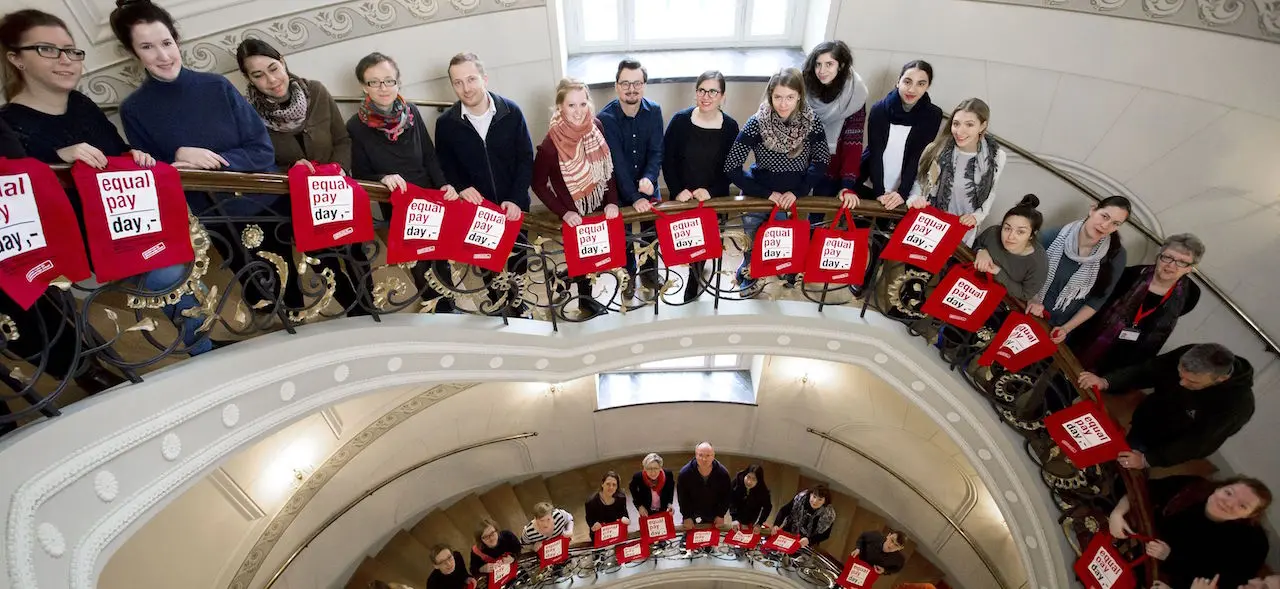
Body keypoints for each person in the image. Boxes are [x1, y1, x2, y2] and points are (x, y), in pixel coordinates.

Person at [110, 0, 300, 320]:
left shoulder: (217, 87)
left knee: (291, 289)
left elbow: (262, 150)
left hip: (264, 204)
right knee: (256, 296)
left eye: (167, 43)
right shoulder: (135, 109)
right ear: (133, 53)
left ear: (176, 40)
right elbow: (153, 178)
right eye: (147, 47)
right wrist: (175, 159)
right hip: (212, 219)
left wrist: (211, 161)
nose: (163, 55)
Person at [235, 38, 372, 318]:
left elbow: (342, 139)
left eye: (273, 68)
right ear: (248, 79)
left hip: (337, 191)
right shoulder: (247, 114)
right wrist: (291, 172)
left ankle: (371, 303)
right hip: (295, 203)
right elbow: (259, 162)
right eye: (258, 75)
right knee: (324, 259)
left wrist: (338, 171)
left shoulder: (317, 92)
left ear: (283, 60)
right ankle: (356, 312)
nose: (271, 80)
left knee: (356, 250)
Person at [346, 51, 457, 311]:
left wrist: (444, 184)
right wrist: (383, 177)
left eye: (389, 80)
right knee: (416, 257)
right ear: (364, 86)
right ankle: (432, 303)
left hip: (428, 194)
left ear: (398, 82)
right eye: (374, 82)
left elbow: (429, 155)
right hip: (396, 199)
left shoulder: (412, 113)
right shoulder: (355, 126)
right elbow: (360, 173)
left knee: (439, 253)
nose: (383, 88)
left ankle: (448, 305)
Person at [435, 52, 534, 315]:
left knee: (518, 260)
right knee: (487, 262)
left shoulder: (511, 112)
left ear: (484, 79)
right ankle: (498, 302)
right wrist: (460, 185)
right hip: (478, 210)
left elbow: (526, 159)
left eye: (471, 79)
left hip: (514, 206)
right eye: (458, 82)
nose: (466, 88)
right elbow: (445, 165)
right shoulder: (445, 124)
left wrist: (515, 198)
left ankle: (518, 302)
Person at [724, 67, 829, 292]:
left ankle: (785, 268)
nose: (783, 104)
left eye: (790, 97)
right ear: (770, 95)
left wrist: (799, 191)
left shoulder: (812, 122)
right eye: (778, 97)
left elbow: (821, 160)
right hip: (760, 196)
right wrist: (766, 194)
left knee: (786, 244)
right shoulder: (756, 123)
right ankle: (749, 269)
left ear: (799, 95)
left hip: (794, 198)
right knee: (753, 242)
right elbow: (732, 165)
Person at [1079, 343, 1254, 470]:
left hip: (1164, 442)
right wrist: (1106, 381)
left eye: (1192, 381)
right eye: (1180, 374)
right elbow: (1148, 370)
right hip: (1146, 417)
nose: (1182, 383)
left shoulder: (1236, 406)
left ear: (1220, 379)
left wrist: (1148, 460)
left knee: (1124, 466)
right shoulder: (1188, 353)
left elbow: (1198, 443)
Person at [531, 77, 619, 318]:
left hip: (599, 203)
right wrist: (564, 211)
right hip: (575, 210)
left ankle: (562, 277)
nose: (579, 112)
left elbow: (606, 168)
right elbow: (538, 184)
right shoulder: (550, 144)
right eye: (571, 105)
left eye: (583, 104)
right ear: (560, 106)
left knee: (596, 255)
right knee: (584, 259)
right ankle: (586, 301)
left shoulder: (596, 127)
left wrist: (611, 200)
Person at [1070, 233, 1204, 373]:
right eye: (1168, 257)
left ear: (1190, 268)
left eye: (1182, 262)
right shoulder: (1130, 274)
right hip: (1092, 344)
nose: (1171, 265)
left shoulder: (1191, 294)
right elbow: (1098, 307)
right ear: (1158, 256)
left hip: (1130, 359)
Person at [1108, 475, 1271, 589]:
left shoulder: (1252, 544)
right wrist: (1118, 512)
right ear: (1219, 487)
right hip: (1129, 542)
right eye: (1228, 493)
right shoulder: (1192, 487)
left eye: (1242, 506)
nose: (1228, 503)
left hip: (1159, 579)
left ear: (1251, 515)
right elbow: (1144, 490)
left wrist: (1171, 558)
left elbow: (1219, 582)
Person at [661, 71, 739, 303]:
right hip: (684, 196)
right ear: (696, 93)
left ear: (722, 96)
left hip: (713, 198)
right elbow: (668, 159)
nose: (706, 96)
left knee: (704, 243)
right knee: (687, 242)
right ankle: (692, 272)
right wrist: (677, 189)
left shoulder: (730, 127)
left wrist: (712, 191)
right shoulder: (680, 121)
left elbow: (731, 167)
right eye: (702, 90)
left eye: (713, 91)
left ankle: (693, 283)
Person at [598, 59, 662, 297]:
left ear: (644, 85)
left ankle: (649, 270)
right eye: (625, 83)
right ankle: (628, 274)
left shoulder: (654, 111)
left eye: (637, 83)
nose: (631, 88)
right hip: (620, 189)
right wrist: (633, 196)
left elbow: (657, 151)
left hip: (647, 187)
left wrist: (649, 177)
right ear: (617, 86)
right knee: (623, 236)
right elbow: (616, 165)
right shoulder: (605, 118)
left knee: (650, 231)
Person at [1028, 196, 1131, 343]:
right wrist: (1032, 299)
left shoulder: (1116, 255)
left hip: (1059, 329)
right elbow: (1025, 270)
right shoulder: (1053, 235)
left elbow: (1097, 300)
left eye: (1115, 223)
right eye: (1104, 216)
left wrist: (1066, 329)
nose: (1105, 225)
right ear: (1093, 209)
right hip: (1028, 310)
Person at [906, 98, 1008, 246]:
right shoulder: (936, 150)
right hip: (929, 227)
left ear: (983, 126)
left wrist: (977, 216)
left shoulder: (996, 157)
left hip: (963, 231)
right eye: (956, 124)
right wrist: (914, 199)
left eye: (969, 125)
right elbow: (920, 183)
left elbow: (990, 192)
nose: (960, 131)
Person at [854, 60, 944, 211]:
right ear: (898, 82)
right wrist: (879, 192)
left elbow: (918, 156)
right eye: (907, 81)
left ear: (927, 86)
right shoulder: (879, 109)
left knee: (886, 233)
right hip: (871, 182)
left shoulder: (933, 115)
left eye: (920, 84)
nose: (912, 89)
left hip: (904, 189)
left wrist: (902, 192)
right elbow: (876, 153)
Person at [803, 40, 868, 207]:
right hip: (801, 160)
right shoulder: (805, 85)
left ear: (841, 65)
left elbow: (853, 143)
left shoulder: (855, 94)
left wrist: (847, 185)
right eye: (818, 64)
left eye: (829, 64)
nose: (822, 71)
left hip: (831, 164)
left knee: (818, 215)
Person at [971, 195, 1048, 301]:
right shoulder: (992, 232)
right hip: (968, 286)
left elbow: (1025, 294)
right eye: (1007, 228)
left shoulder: (1038, 262)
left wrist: (999, 272)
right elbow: (973, 245)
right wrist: (980, 251)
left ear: (1032, 234)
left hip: (997, 303)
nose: (1011, 237)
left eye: (1020, 232)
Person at [676, 442, 732, 529]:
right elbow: (682, 497)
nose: (704, 459)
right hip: (692, 512)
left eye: (708, 455)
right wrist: (687, 516)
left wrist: (721, 515)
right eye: (700, 455)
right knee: (688, 538)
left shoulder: (723, 473)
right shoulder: (685, 473)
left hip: (713, 512)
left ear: (713, 456)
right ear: (695, 455)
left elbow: (726, 496)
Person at [772, 484, 836, 548]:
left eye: (820, 499)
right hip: (788, 533)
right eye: (814, 496)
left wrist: (809, 540)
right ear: (810, 494)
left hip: (807, 542)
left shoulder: (828, 514)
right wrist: (776, 525)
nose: (815, 501)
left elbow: (825, 534)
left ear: (824, 501)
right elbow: (784, 510)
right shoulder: (801, 498)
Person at [629, 452, 675, 517]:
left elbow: (671, 489)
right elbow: (632, 488)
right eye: (649, 468)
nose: (653, 472)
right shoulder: (638, 477)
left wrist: (669, 503)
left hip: (663, 507)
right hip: (646, 510)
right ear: (644, 469)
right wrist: (639, 506)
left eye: (656, 468)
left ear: (660, 468)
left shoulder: (668, 475)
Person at [728, 463, 772, 532]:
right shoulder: (738, 481)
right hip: (737, 509)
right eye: (748, 477)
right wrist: (734, 519)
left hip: (752, 515)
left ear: (758, 481)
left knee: (746, 530)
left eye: (753, 479)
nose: (749, 482)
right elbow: (731, 499)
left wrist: (759, 523)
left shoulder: (763, 491)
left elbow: (767, 508)